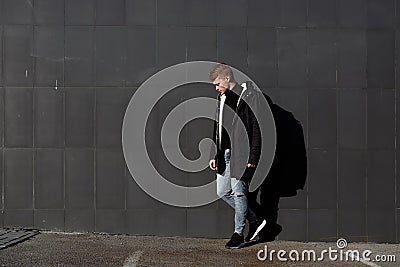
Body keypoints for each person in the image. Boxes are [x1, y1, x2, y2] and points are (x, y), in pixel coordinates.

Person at [208, 64, 266, 249]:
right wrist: (213, 153)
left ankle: (238, 233)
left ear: (227, 78)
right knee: (222, 191)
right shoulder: (222, 98)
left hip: (241, 153)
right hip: (224, 153)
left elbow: (257, 128)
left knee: (239, 192)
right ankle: (255, 220)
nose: (216, 87)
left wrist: (254, 156)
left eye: (218, 83)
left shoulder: (249, 96)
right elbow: (216, 126)